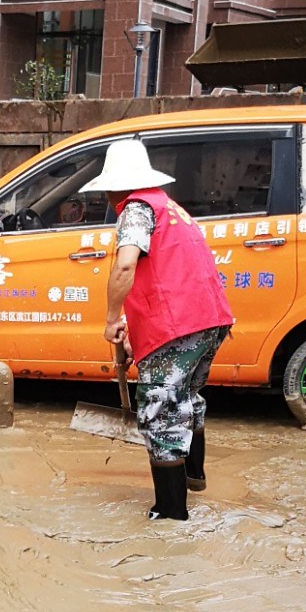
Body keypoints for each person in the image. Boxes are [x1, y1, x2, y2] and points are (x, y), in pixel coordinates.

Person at [86, 138, 235, 521]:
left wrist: (110, 319)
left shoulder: (136, 209)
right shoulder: (168, 206)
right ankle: (193, 475)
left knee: (160, 413)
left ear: (116, 186)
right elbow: (164, 274)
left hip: (180, 324)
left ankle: (170, 514)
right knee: (185, 396)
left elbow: (125, 265)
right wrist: (130, 329)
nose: (106, 197)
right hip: (210, 320)